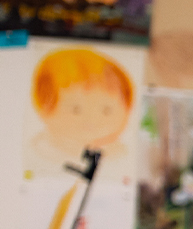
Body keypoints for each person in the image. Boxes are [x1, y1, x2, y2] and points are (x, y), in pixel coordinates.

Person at [28, 48, 134, 179]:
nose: (92, 119)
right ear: (44, 109)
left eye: (107, 110)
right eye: (76, 110)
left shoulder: (122, 154)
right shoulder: (41, 150)